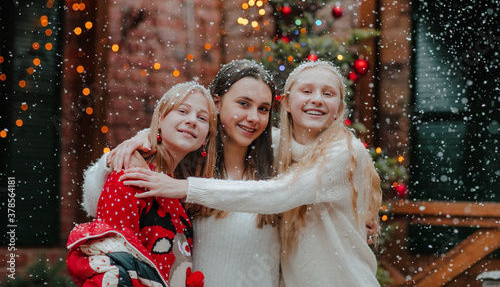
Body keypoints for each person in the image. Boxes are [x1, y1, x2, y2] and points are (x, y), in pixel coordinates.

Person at [120, 60, 383, 286]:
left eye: (328, 93)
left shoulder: (340, 153)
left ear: (339, 108)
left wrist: (186, 188)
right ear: (288, 103)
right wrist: (144, 139)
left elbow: (283, 193)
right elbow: (181, 132)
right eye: (243, 104)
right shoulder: (279, 151)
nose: (254, 118)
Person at [79, 60, 281, 286]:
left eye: (263, 108)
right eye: (244, 103)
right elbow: (99, 208)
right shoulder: (184, 161)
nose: (254, 117)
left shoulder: (280, 156)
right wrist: (116, 158)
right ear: (217, 103)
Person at [66, 82, 217, 287]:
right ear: (160, 119)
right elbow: (115, 261)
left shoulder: (176, 188)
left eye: (202, 118)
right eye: (182, 111)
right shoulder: (131, 176)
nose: (192, 121)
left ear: (205, 139)